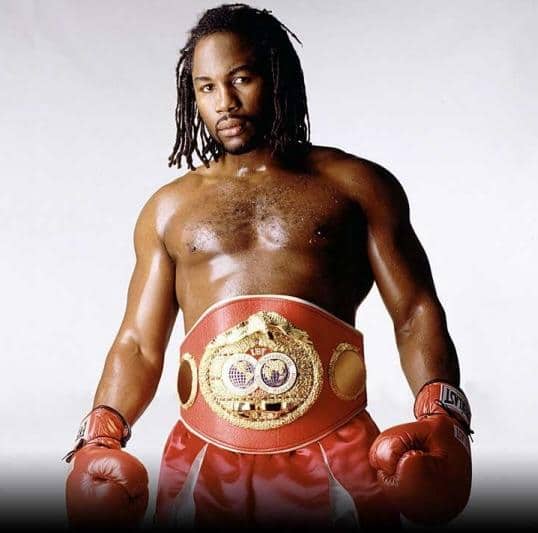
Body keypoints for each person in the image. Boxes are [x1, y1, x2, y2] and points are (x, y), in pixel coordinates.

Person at [64, 3, 473, 531]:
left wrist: (445, 417)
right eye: (206, 87)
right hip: (202, 455)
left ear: (276, 77)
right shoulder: (168, 208)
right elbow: (138, 343)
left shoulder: (356, 186)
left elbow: (416, 312)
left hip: (335, 448)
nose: (224, 103)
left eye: (241, 79)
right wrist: (98, 435)